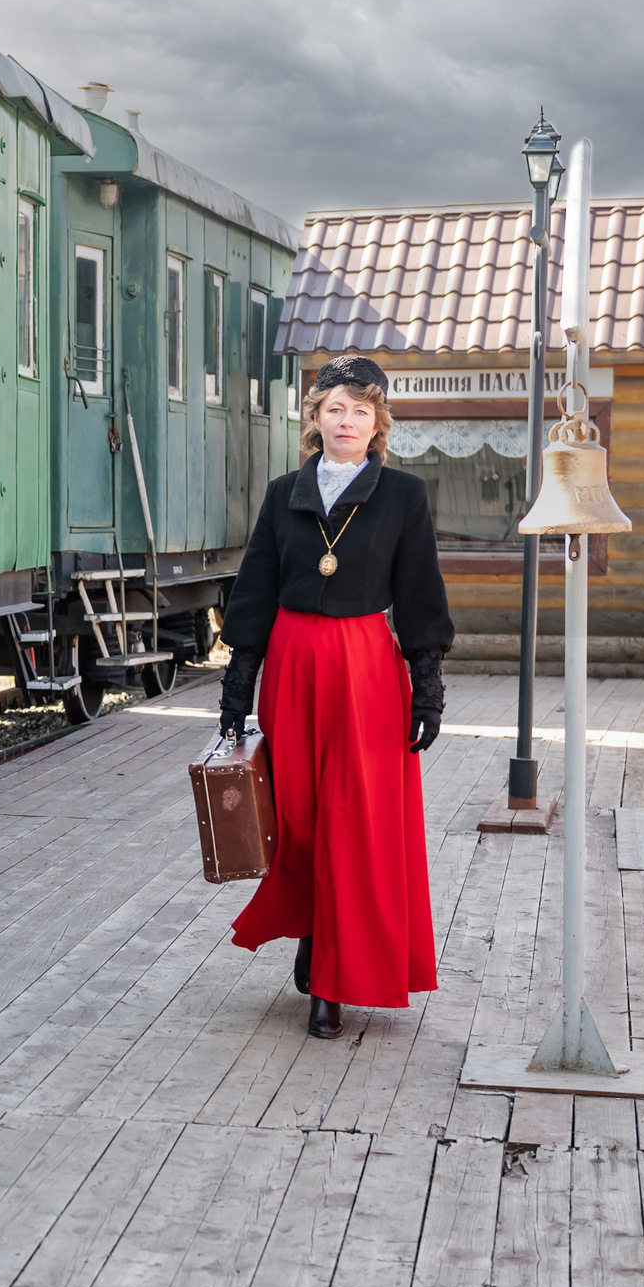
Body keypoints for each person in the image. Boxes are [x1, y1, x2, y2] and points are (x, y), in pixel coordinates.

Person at [216, 355, 451, 1039]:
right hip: (292, 663)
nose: (347, 421)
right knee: (299, 815)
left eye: (360, 410)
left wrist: (427, 690)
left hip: (366, 669)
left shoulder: (403, 495)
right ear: (315, 419)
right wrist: (237, 687)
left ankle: (331, 983)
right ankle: (314, 934)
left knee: (354, 820)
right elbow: (254, 592)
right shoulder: (283, 494)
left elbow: (420, 596)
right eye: (335, 409)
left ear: (378, 423)